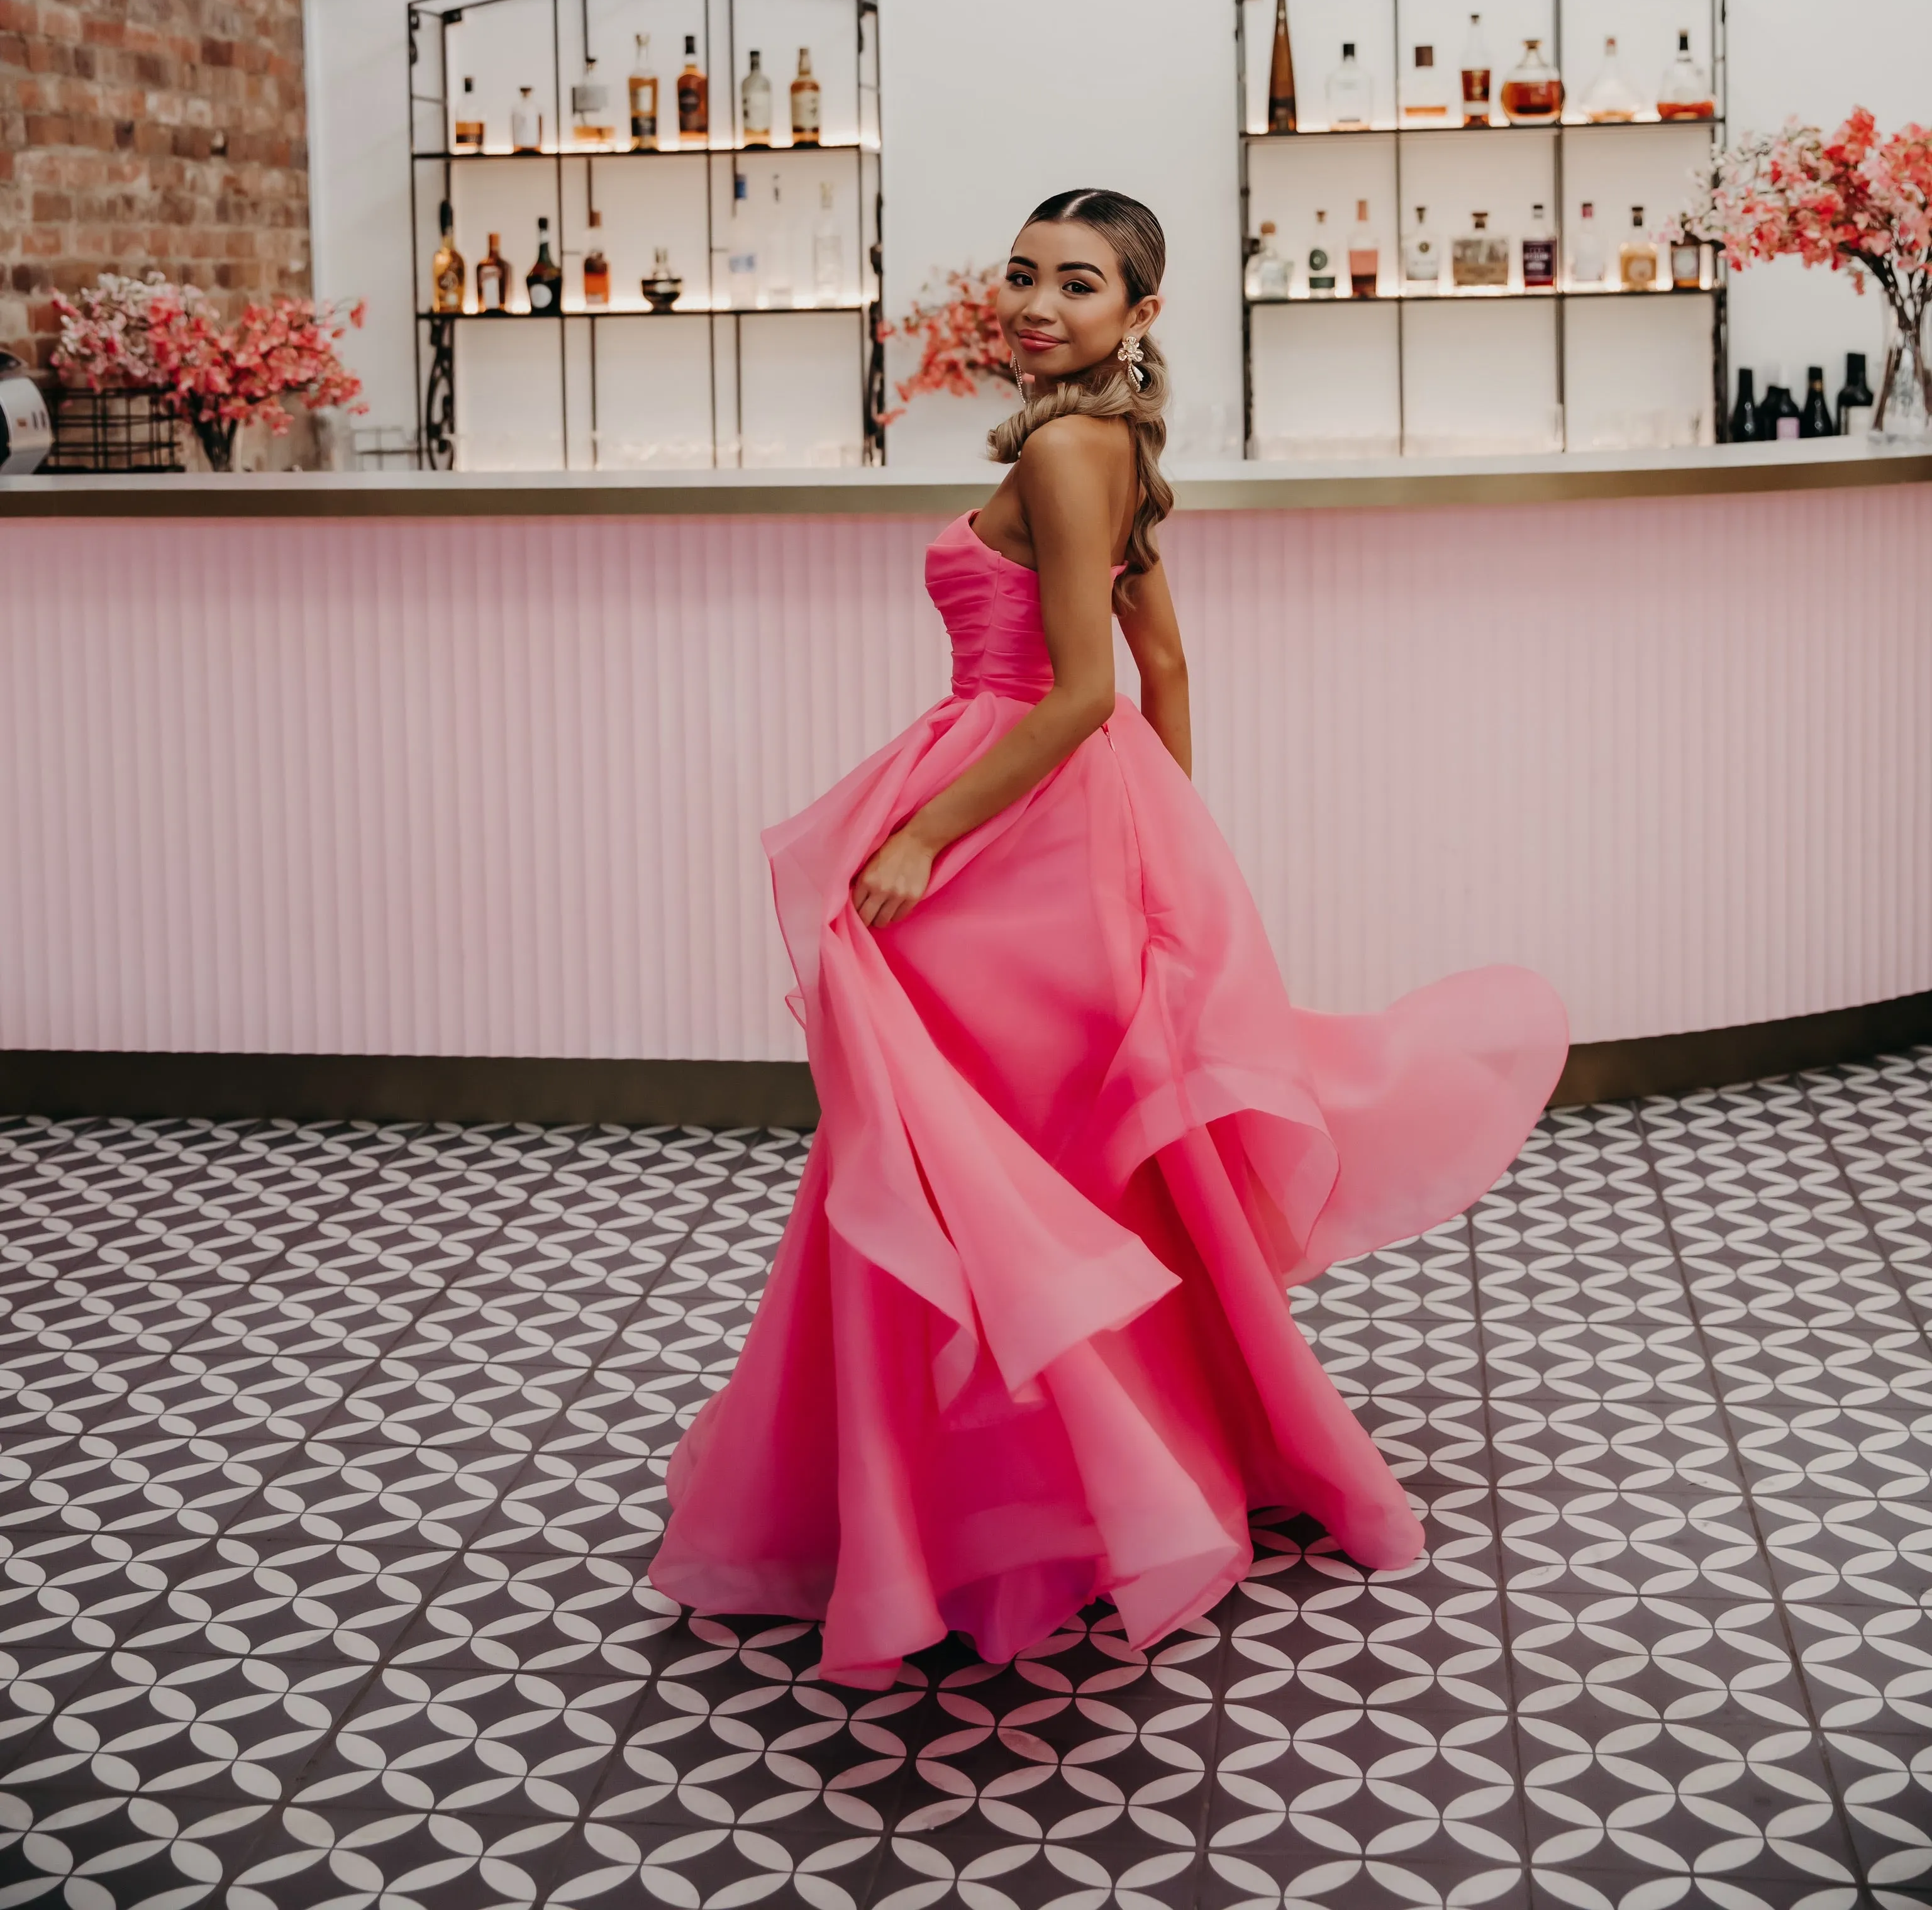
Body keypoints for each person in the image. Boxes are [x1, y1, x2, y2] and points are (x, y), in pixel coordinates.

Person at [650, 187, 1567, 1687]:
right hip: (1071, 828)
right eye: (1021, 272)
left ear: (1139, 316)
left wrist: (940, 836)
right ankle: (1093, 1469)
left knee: (958, 1152)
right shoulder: (1105, 445)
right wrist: (1158, 848)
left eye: (1078, 283)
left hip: (1012, 816)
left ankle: (1003, 1502)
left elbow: (1086, 687)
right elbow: (1168, 668)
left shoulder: (1076, 448)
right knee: (1039, 1154)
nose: (1035, 301)